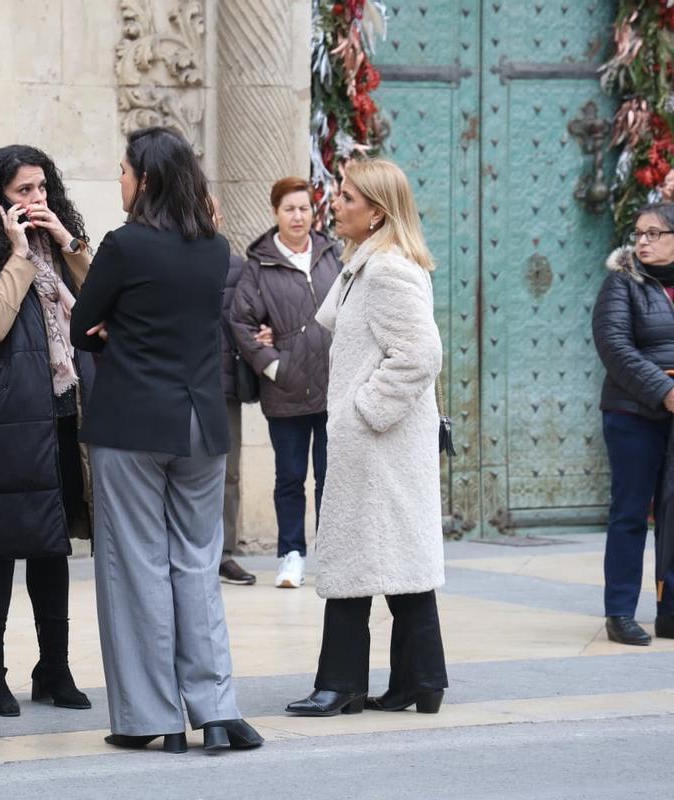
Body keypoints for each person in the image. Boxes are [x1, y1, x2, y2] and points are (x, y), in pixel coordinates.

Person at [70, 126, 262, 754]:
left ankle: (152, 718)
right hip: (200, 423)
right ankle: (214, 710)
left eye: (123, 171)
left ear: (145, 178)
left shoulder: (124, 246)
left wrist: (110, 333)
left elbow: (80, 321)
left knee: (137, 568)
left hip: (131, 421)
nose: (119, 181)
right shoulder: (215, 248)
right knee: (197, 565)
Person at [286, 158, 447, 718]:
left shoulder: (386, 271)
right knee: (396, 558)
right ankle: (420, 680)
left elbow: (422, 355)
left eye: (349, 197)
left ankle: (341, 683)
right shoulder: (368, 263)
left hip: (380, 443)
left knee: (356, 558)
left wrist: (365, 410)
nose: (336, 202)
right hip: (382, 445)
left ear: (377, 212)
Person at [0, 145, 96, 717]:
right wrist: (17, 256)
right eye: (23, 192)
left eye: (42, 189)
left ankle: (53, 667)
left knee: (50, 543)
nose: (36, 201)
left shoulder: (57, 247)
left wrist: (68, 243)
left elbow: (105, 297)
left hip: (60, 413)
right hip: (0, 420)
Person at [230, 177, 343, 589]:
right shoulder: (259, 265)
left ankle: (332, 556)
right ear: (275, 212)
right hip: (287, 391)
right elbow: (241, 322)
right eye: (289, 209)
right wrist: (274, 367)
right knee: (290, 478)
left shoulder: (332, 255)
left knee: (332, 477)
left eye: (304, 208)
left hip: (334, 387)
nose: (298, 216)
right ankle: (291, 556)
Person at [591, 202, 674, 646]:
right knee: (629, 513)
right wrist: (664, 391)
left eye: (655, 233)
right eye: (639, 233)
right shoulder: (621, 283)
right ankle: (620, 612)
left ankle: (671, 611)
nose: (643, 241)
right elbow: (614, 346)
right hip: (632, 413)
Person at [209, 196, 256, 586]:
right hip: (177, 385)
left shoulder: (238, 267)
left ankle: (224, 552)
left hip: (222, 386)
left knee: (229, 473)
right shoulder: (168, 261)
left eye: (213, 212)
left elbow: (254, 316)